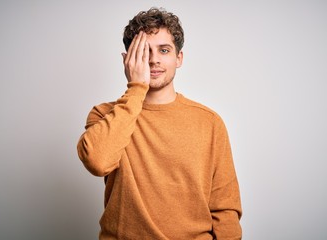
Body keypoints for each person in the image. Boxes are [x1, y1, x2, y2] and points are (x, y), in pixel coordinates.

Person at [77, 7, 242, 240]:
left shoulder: (210, 122)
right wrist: (136, 88)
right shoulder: (105, 115)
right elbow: (98, 162)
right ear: (127, 60)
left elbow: (225, 208)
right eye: (144, 51)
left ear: (179, 58)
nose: (154, 59)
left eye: (164, 50)